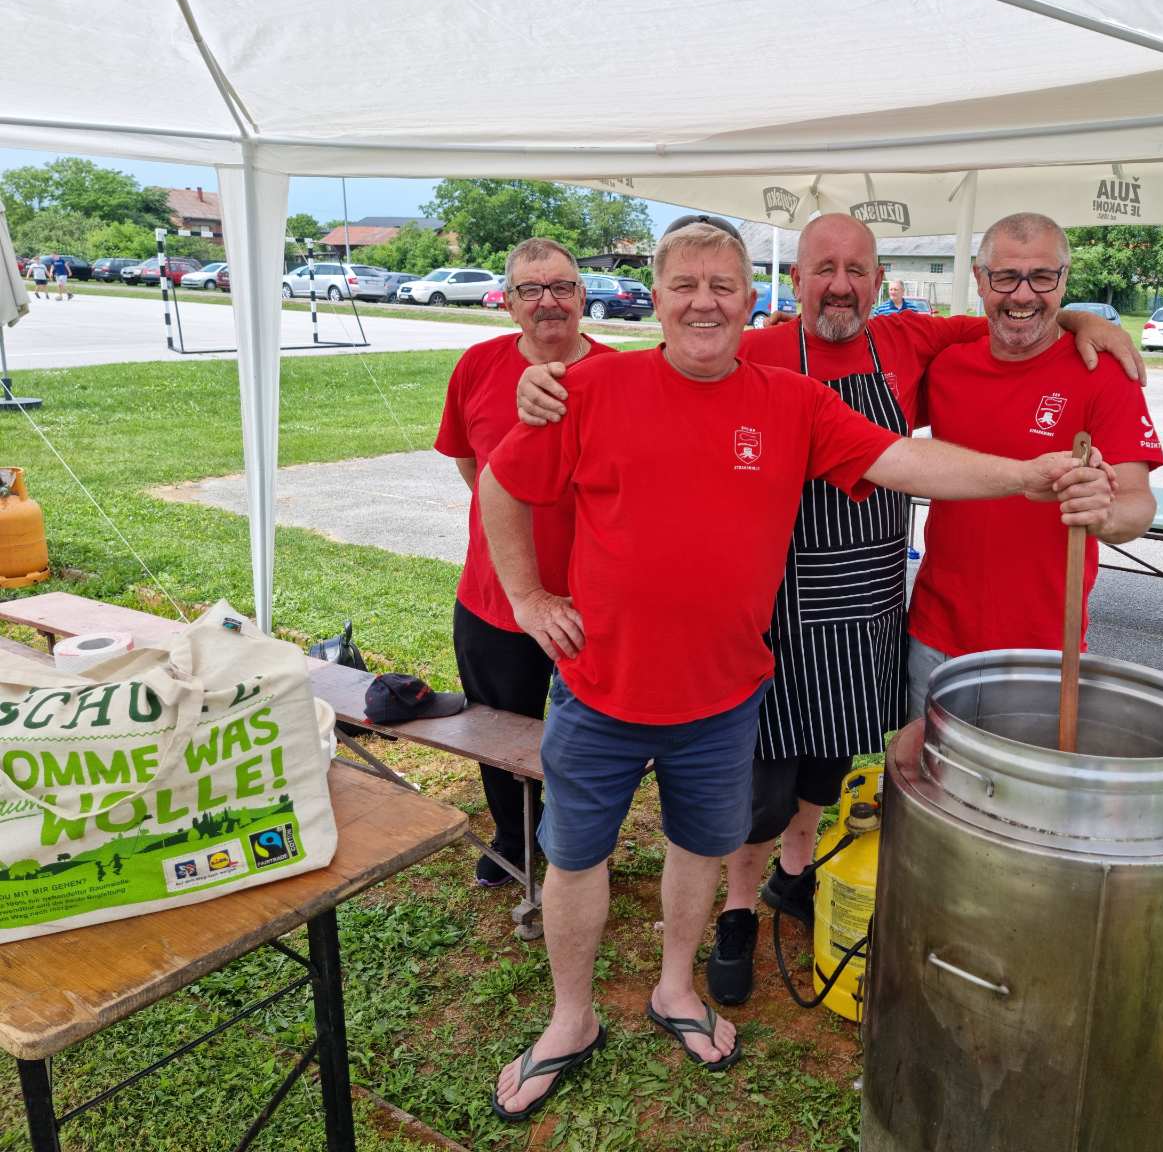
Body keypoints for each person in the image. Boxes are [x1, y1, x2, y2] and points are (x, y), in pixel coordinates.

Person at [478, 220, 1106, 1121]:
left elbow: (906, 458)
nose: (704, 301)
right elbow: (502, 485)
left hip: (724, 697)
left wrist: (1029, 474)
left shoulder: (791, 402)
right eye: (685, 284)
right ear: (654, 298)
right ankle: (569, 1019)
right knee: (576, 859)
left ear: (750, 298)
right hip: (598, 690)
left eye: (723, 285)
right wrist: (532, 600)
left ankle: (675, 991)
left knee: (701, 848)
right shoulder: (590, 386)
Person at [902, 211, 1163, 728]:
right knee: (930, 794)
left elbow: (1138, 504)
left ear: (1064, 280)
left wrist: (1103, 512)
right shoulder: (948, 364)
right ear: (980, 281)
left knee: (1024, 805)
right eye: (1005, 277)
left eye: (1042, 277)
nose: (1023, 295)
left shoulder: (1102, 372)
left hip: (1044, 650)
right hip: (934, 635)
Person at [433, 237, 611, 891]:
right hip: (493, 599)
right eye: (531, 291)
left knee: (585, 738)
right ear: (509, 305)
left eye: (562, 286)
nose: (548, 302)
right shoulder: (477, 367)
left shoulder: (618, 376)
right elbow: (469, 465)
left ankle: (576, 845)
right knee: (497, 727)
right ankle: (513, 840)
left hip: (592, 606)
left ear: (583, 296)